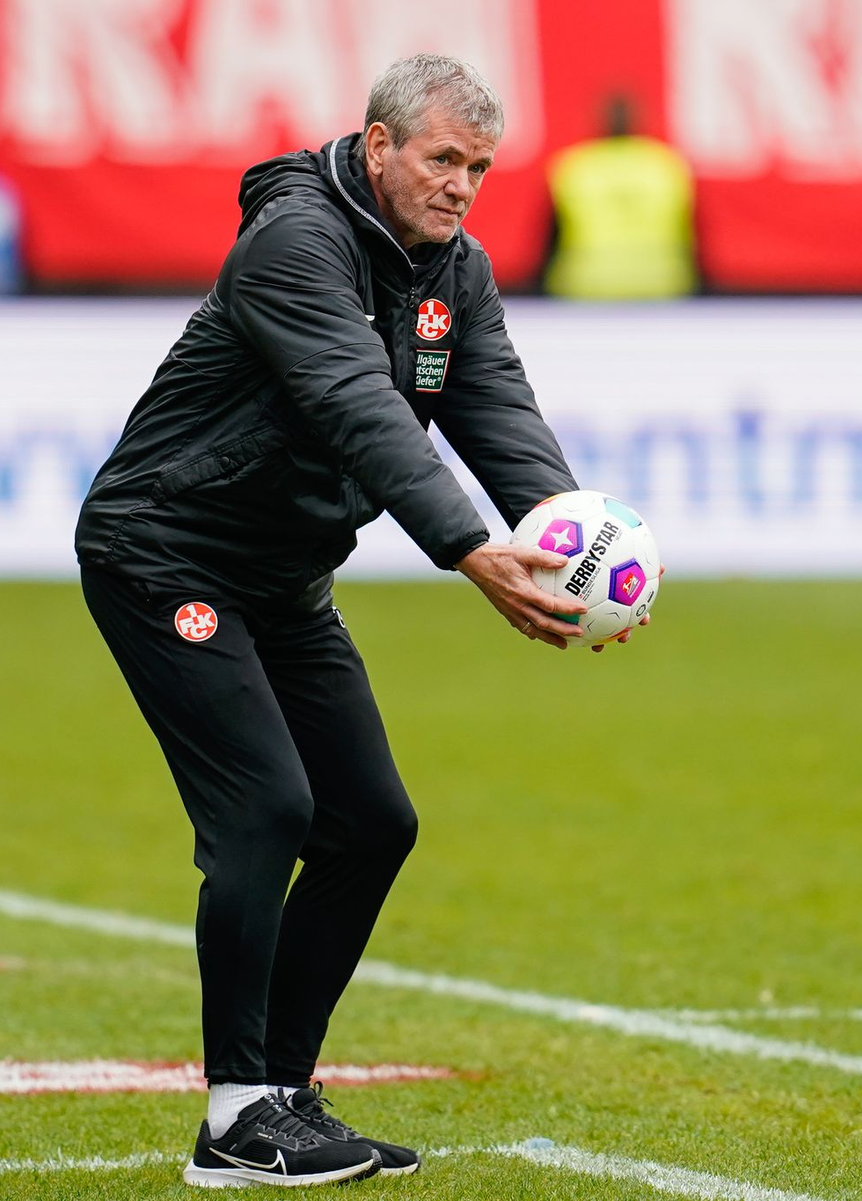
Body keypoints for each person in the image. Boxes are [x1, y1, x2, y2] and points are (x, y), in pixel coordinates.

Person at [75, 53, 639, 1189]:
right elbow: (356, 405)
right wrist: (469, 548)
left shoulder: (453, 272)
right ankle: (235, 1116)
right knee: (268, 805)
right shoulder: (295, 239)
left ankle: (281, 1097)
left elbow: (495, 412)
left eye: (479, 166)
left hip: (280, 581)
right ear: (378, 146)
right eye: (442, 159)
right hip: (161, 551)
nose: (462, 185)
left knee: (372, 821)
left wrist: (575, 547)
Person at [541, 95, 699, 300]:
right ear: (638, 121)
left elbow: (551, 237)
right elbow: (692, 233)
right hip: (661, 282)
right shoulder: (667, 166)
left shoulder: (575, 167)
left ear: (601, 121)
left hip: (587, 282)